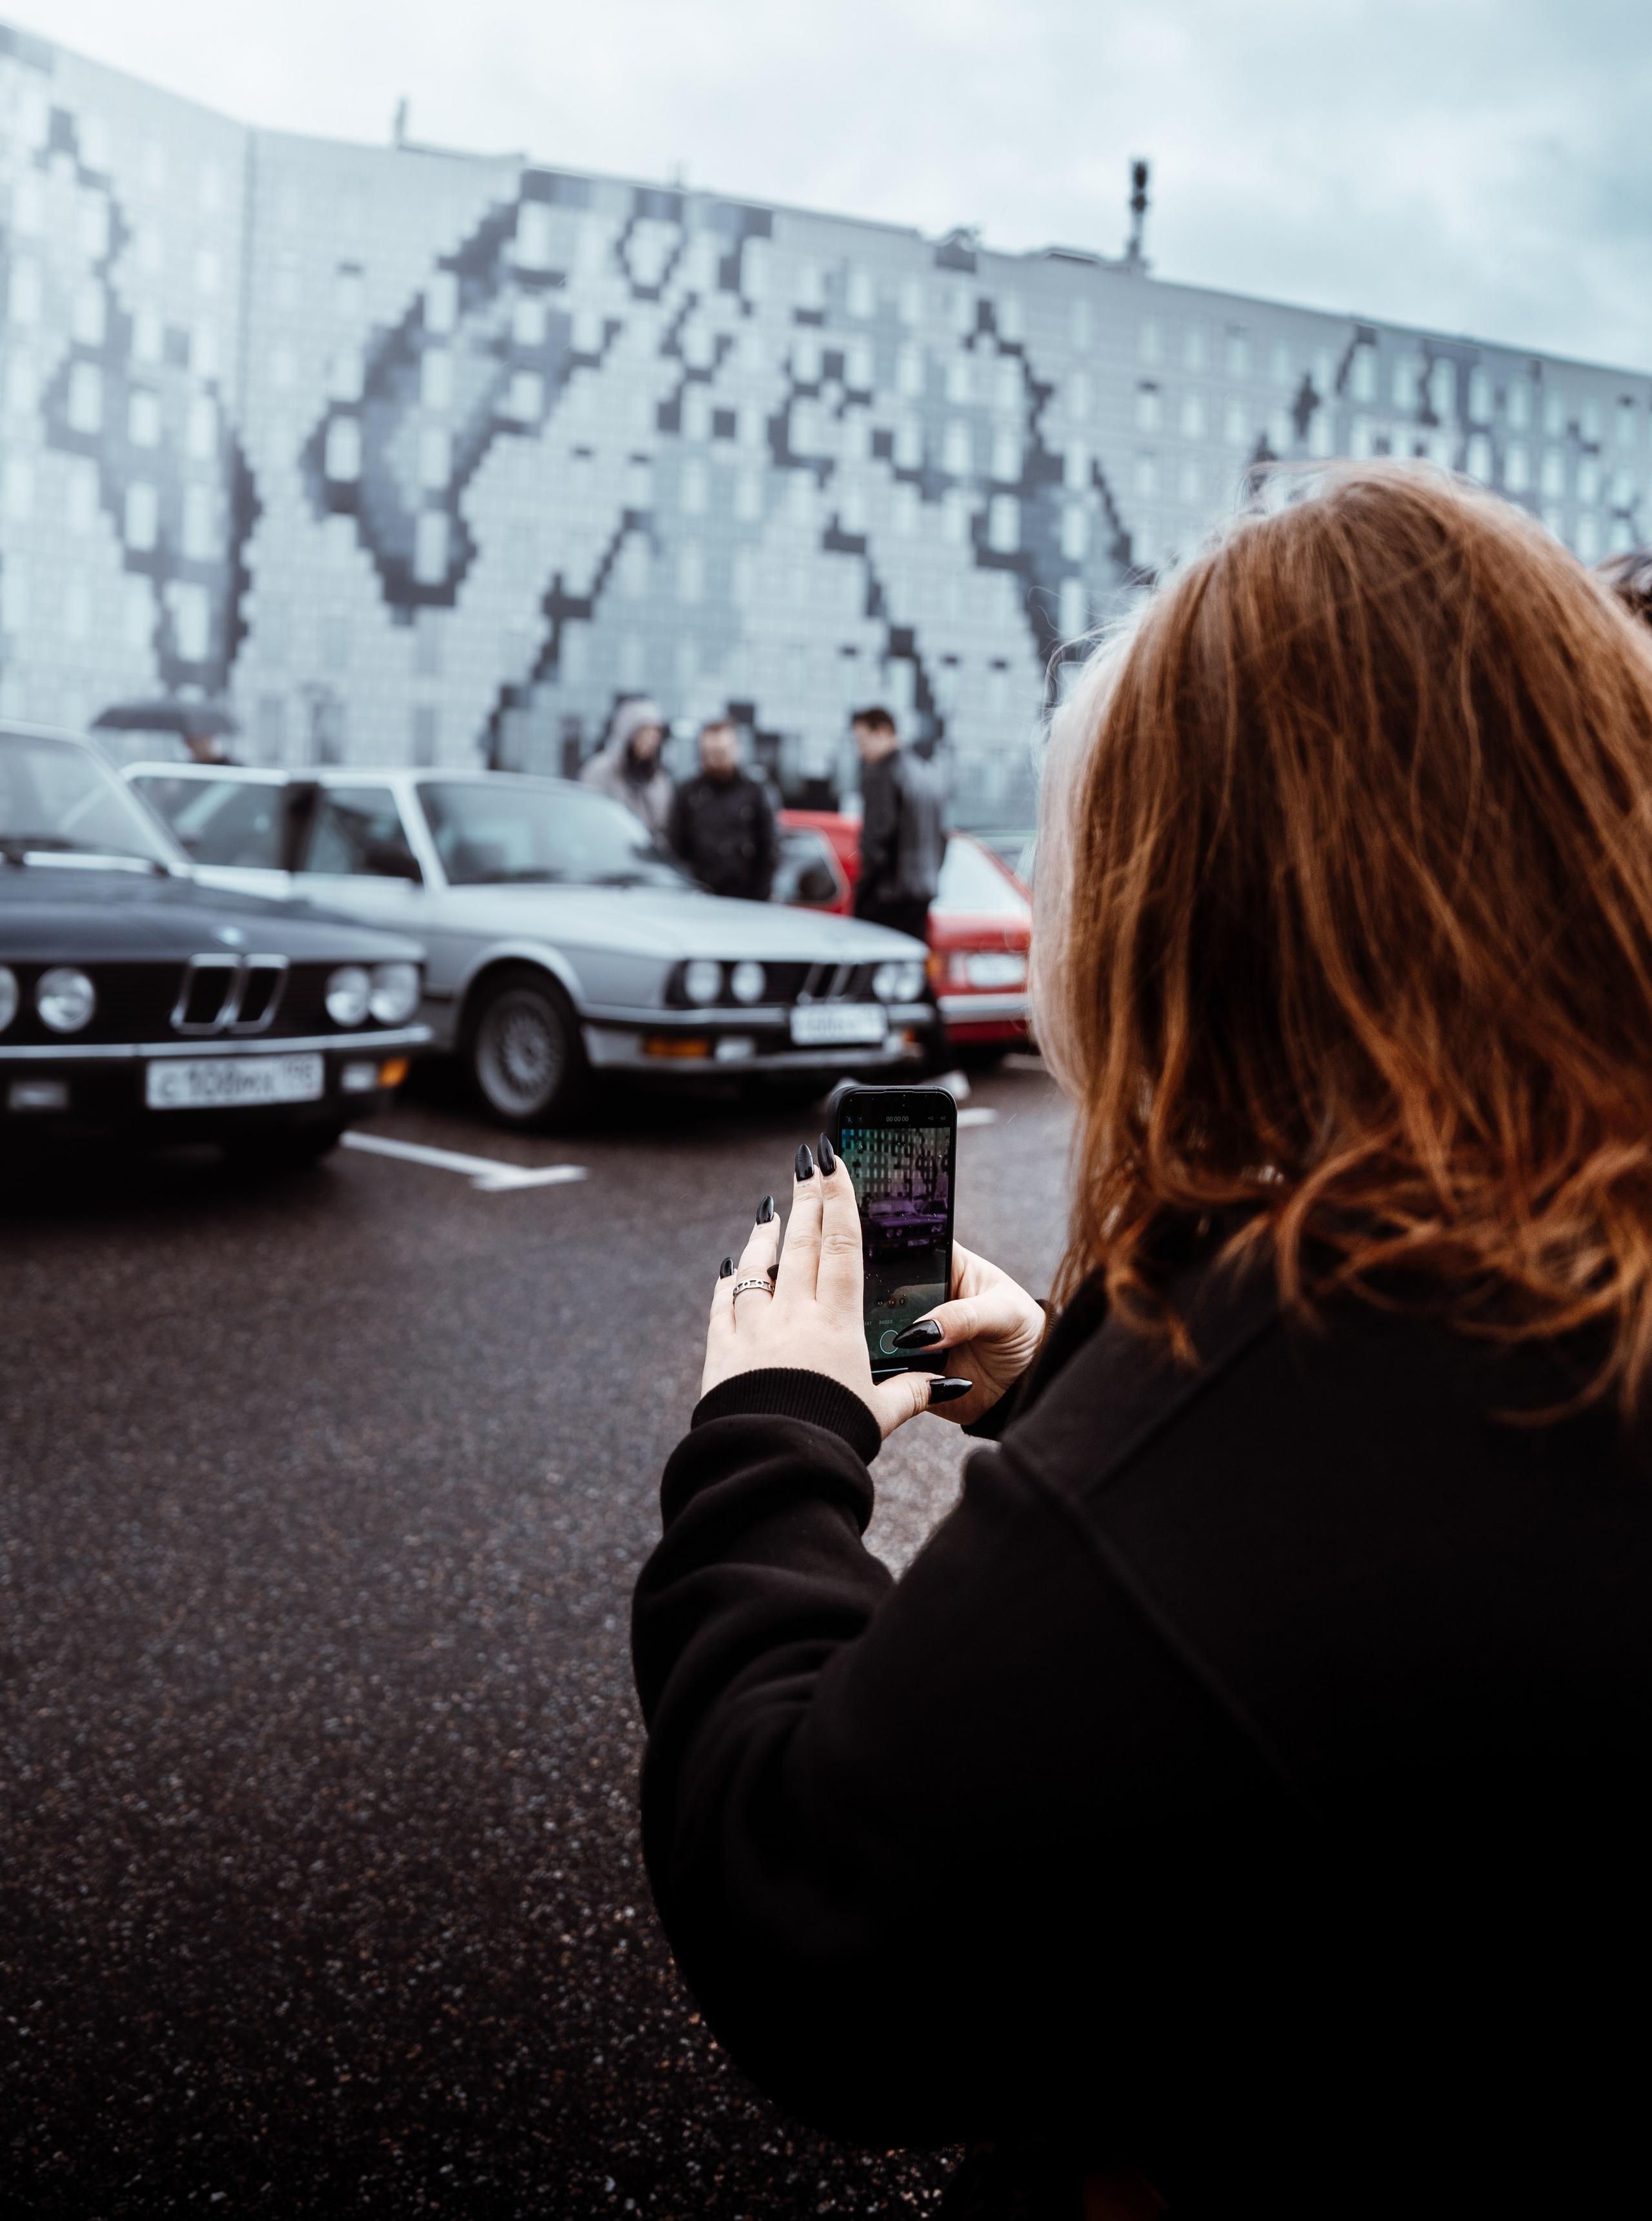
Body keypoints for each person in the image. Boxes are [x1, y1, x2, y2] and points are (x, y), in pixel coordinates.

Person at [632, 464, 1652, 2216]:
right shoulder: (1551, 1242)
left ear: (1201, 901)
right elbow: (1343, 1610)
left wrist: (772, 1425)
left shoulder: (1363, 1343)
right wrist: (1073, 1397)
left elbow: (818, 1919)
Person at [849, 705, 944, 940]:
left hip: (887, 896)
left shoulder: (883, 773)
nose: (860, 752)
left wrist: (864, 891)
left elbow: (877, 837)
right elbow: (942, 838)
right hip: (921, 892)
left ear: (882, 732)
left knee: (873, 969)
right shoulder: (925, 774)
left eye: (862, 741)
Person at [666, 716, 779, 899]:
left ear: (736, 749)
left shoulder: (755, 790)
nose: (716, 759)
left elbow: (770, 847)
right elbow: (675, 848)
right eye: (709, 753)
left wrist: (759, 895)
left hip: (746, 898)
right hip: (697, 896)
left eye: (722, 752)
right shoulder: (688, 792)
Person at [579, 696, 673, 843]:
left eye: (656, 732)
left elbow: (662, 825)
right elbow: (587, 817)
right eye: (644, 731)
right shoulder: (600, 770)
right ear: (628, 731)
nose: (651, 738)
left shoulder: (659, 779)